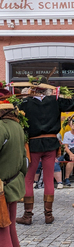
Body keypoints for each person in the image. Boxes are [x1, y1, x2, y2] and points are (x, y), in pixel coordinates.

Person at [16, 81, 74, 225]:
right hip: (51, 143)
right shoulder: (55, 101)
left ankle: (28, 215)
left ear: (34, 89)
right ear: (47, 90)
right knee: (49, 178)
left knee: (29, 179)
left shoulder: (24, 103)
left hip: (34, 144)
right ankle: (48, 215)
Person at [0, 92, 27, 247]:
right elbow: (24, 159)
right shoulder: (18, 126)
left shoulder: (1, 127)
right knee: (10, 227)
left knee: (2, 230)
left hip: (2, 186)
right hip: (14, 182)